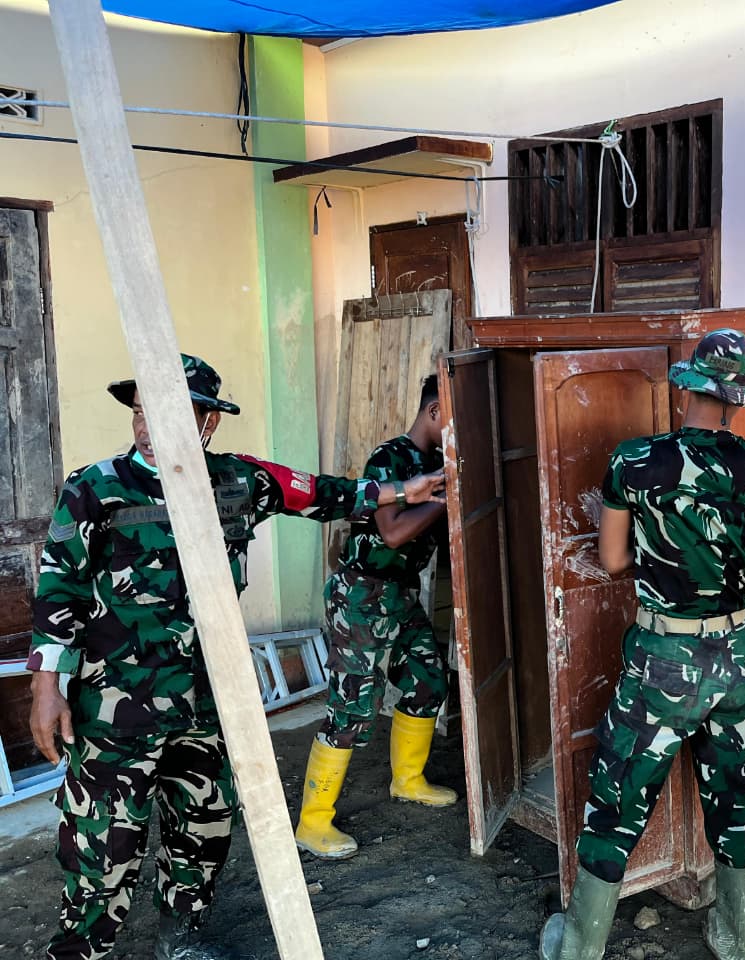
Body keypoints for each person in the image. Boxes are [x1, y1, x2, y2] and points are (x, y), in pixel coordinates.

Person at [26, 354, 443, 960]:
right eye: (141, 409)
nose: (148, 423)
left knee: (204, 823)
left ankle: (183, 933)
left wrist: (404, 489)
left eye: (167, 410)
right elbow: (58, 587)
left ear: (207, 421)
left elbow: (321, 494)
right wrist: (47, 687)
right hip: (117, 703)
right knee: (104, 840)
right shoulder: (96, 488)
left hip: (207, 696)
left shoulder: (240, 480)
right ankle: (83, 948)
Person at [540, 329, 745, 960]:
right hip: (736, 658)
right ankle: (739, 939)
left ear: (687, 387)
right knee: (732, 796)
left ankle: (577, 946)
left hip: (664, 662)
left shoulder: (634, 461)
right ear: (738, 398)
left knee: (618, 798)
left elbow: (614, 557)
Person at [295, 376, 455, 861]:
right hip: (361, 595)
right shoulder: (391, 459)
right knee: (354, 706)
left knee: (429, 680)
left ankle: (408, 779)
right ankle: (313, 821)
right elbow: (391, 533)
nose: (456, 430)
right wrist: (442, 500)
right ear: (433, 413)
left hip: (400, 596)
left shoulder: (439, 464)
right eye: (452, 419)